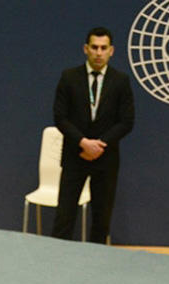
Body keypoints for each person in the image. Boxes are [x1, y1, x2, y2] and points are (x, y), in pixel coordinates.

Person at [51, 26, 135, 244]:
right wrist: (83, 143)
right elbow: (60, 117)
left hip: (105, 160)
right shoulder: (69, 77)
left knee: (101, 220)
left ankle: (95, 269)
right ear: (85, 49)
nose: (99, 52)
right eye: (94, 47)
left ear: (112, 51)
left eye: (103, 48)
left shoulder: (121, 81)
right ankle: (55, 264)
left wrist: (99, 145)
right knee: (64, 219)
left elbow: (127, 122)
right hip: (74, 156)